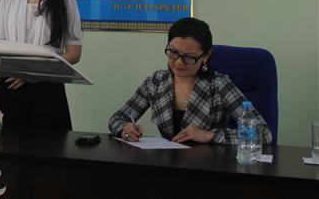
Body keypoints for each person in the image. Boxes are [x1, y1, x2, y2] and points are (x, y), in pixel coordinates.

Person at [108, 17, 273, 144]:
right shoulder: (156, 82)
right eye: (173, 52)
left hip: (209, 166)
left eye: (189, 57)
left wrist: (209, 136)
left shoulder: (219, 84)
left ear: (206, 56)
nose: (179, 62)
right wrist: (126, 130)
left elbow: (263, 133)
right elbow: (117, 119)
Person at [0, 0, 82, 132]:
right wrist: (18, 69)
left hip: (47, 86)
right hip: (11, 83)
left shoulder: (66, 1)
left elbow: (74, 53)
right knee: (9, 146)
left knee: (48, 146)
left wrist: (34, 72)